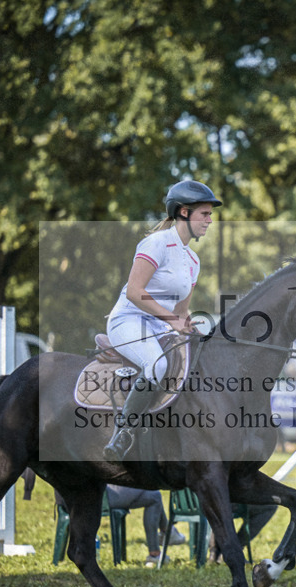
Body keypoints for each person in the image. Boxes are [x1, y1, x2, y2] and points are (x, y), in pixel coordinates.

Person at [104, 180, 222, 459]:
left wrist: (193, 326)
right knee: (157, 365)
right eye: (204, 214)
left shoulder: (193, 260)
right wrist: (172, 320)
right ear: (183, 212)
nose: (209, 220)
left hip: (160, 325)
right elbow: (135, 292)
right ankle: (124, 434)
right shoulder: (157, 242)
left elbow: (182, 311)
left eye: (210, 215)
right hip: (129, 320)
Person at [104, 485, 186, 568]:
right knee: (154, 494)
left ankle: (158, 548)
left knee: (152, 496)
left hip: (103, 493)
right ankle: (167, 533)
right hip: (106, 494)